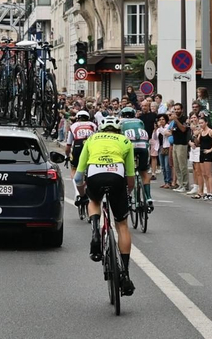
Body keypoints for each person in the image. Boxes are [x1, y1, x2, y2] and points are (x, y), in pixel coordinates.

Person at [79, 114, 136, 297]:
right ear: (118, 129)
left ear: (100, 129)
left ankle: (95, 230)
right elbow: (130, 176)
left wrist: (82, 194)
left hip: (95, 174)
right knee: (122, 225)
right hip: (117, 176)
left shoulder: (91, 138)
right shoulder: (125, 140)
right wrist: (128, 193)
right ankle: (125, 274)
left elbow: (79, 175)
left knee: (94, 200)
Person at [118, 106, 153, 209]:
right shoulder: (140, 121)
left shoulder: (120, 122)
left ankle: (128, 195)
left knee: (127, 171)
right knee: (144, 172)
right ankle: (148, 197)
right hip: (143, 145)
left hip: (130, 145)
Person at [67, 109, 97, 204]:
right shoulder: (93, 125)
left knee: (74, 169)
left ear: (77, 118)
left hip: (78, 146)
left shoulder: (73, 126)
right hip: (91, 146)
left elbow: (68, 144)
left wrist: (66, 155)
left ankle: (77, 192)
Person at [169, 105, 192, 193]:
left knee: (182, 165)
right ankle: (180, 183)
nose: (177, 111)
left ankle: (185, 184)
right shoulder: (174, 120)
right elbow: (173, 130)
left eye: (178, 109)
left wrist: (176, 120)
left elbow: (183, 129)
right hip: (175, 143)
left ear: (182, 110)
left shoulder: (185, 119)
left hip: (182, 144)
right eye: (175, 109)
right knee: (176, 165)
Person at [192, 115, 212, 200]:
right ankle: (207, 191)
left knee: (209, 174)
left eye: (202, 123)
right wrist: (195, 136)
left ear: (206, 123)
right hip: (201, 152)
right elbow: (197, 143)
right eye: (200, 123)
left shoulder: (210, 131)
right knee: (204, 174)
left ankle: (211, 193)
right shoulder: (201, 132)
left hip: (207, 152)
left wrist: (211, 149)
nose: (201, 124)